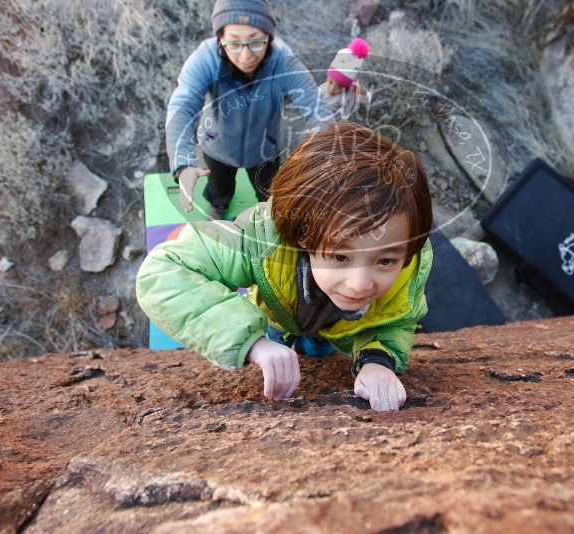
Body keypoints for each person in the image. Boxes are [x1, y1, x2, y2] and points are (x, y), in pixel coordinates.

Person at [137, 122, 433, 412]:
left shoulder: (410, 262)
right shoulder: (259, 241)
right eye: (340, 257)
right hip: (279, 320)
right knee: (285, 345)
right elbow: (163, 271)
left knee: (320, 351)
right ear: (304, 235)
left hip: (347, 330)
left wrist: (377, 361)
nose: (360, 283)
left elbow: (397, 319)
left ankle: (317, 343)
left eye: (385, 261)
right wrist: (252, 342)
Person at [166, 0, 331, 220]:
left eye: (256, 42)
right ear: (220, 38)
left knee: (268, 192)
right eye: (234, 43)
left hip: (265, 148)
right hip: (217, 146)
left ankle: (268, 212)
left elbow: (315, 105)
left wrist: (328, 154)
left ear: (268, 38)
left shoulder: (282, 61)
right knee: (219, 188)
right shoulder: (206, 59)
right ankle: (219, 206)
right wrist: (183, 165)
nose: (245, 56)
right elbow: (182, 107)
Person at [318, 38, 372, 121]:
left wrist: (363, 93)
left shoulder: (351, 92)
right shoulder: (321, 91)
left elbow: (366, 101)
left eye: (339, 87)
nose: (332, 89)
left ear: (348, 85)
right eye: (331, 82)